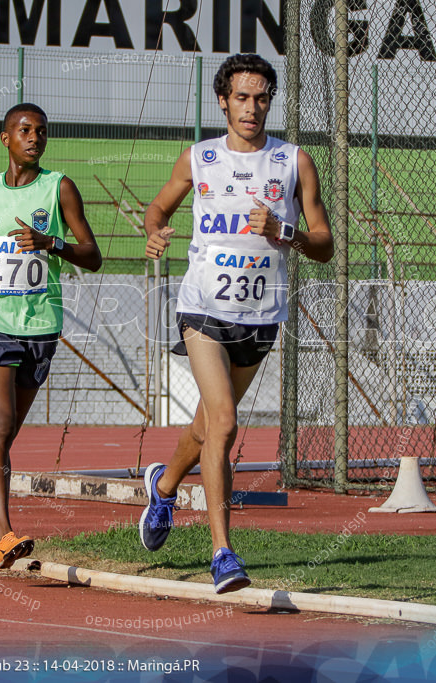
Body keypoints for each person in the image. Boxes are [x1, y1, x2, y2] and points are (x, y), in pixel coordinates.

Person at [140, 54, 334, 593]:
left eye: (262, 97)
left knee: (208, 425)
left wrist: (283, 231)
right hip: (203, 308)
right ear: (223, 101)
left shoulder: (294, 162)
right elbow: (157, 210)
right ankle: (222, 552)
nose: (252, 108)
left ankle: (164, 486)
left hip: (262, 314)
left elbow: (325, 245)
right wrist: (155, 233)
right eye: (242, 97)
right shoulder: (198, 159)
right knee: (224, 423)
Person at [0, 103, 102, 569]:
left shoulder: (59, 188)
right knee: (3, 426)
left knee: (0, 436)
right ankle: (3, 534)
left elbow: (93, 255)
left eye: (42, 131)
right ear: (5, 138)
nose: (34, 138)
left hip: (40, 323)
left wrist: (52, 243)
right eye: (25, 130)